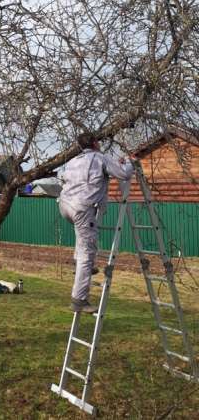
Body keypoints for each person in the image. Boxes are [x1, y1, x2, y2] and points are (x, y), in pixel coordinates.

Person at [59, 132, 134, 314]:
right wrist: (130, 162)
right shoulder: (100, 158)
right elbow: (123, 175)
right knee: (88, 251)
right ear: (94, 143)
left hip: (64, 205)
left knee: (82, 239)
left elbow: (60, 176)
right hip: (83, 208)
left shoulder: (73, 161)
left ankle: (83, 264)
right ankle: (79, 300)